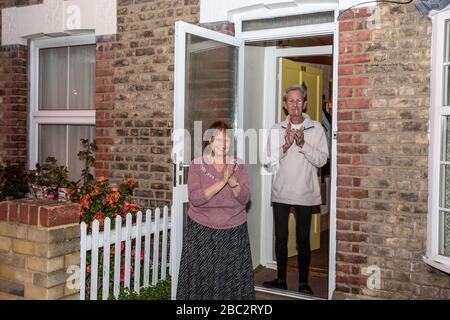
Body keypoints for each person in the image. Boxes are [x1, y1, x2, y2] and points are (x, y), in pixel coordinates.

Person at [176, 121, 255, 300]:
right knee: (203, 281)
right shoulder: (197, 165)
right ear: (210, 142)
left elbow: (244, 199)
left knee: (231, 283)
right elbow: (195, 199)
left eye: (226, 138)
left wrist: (232, 179)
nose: (223, 143)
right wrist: (222, 181)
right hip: (201, 232)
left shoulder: (238, 164)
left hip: (234, 232)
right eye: (218, 138)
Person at [263, 85, 329, 295]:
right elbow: (266, 160)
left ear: (305, 104)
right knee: (281, 238)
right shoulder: (276, 129)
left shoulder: (316, 128)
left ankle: (303, 283)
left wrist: (303, 144)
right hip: (281, 192)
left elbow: (322, 160)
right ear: (285, 105)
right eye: (290, 101)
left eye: (298, 100)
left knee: (303, 240)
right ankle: (281, 279)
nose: (294, 105)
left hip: (305, 194)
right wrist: (286, 145)